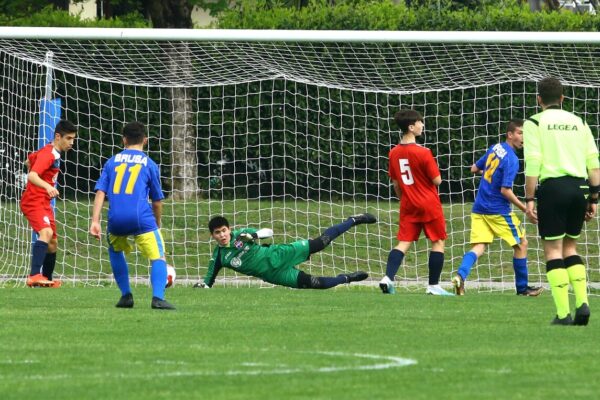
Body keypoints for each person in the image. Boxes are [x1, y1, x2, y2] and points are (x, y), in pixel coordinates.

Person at [523, 77, 600, 326]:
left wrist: (530, 199)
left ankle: (563, 314)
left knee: (553, 251)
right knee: (571, 248)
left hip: (553, 189)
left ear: (539, 100)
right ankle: (583, 304)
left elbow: (533, 162)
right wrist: (594, 198)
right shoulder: (579, 122)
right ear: (563, 98)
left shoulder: (534, 122)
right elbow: (594, 164)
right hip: (579, 188)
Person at [452, 120, 543, 297]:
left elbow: (474, 168)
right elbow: (505, 190)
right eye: (519, 133)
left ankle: (460, 276)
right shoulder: (512, 159)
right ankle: (522, 289)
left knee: (479, 246)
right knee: (521, 244)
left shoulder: (496, 147)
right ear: (510, 135)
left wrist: (491, 174)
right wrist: (526, 209)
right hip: (498, 210)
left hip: (479, 208)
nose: (522, 137)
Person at [89, 121, 174, 310]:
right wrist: (156, 224)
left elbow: (100, 192)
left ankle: (126, 295)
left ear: (123, 140)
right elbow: (157, 201)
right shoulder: (149, 164)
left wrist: (95, 221)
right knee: (158, 256)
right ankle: (158, 298)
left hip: (116, 220)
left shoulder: (112, 162)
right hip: (141, 219)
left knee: (115, 250)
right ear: (145, 140)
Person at [379, 109, 453, 296]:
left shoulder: (393, 153)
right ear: (411, 127)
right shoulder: (424, 152)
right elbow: (437, 181)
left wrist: (403, 199)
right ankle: (433, 286)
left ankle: (388, 278)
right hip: (428, 203)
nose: (422, 125)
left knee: (403, 243)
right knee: (437, 242)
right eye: (420, 122)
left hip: (408, 203)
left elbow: (396, 183)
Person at [194, 214, 376, 289]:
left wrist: (254, 235)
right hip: (274, 275)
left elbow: (269, 232)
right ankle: (347, 278)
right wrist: (202, 286)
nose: (222, 235)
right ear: (213, 236)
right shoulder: (218, 257)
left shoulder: (242, 234)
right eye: (217, 233)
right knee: (317, 284)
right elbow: (208, 282)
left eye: (224, 230)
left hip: (278, 254)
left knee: (321, 243)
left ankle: (353, 220)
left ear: (228, 229)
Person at [21, 120, 77, 288]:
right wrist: (47, 186)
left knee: (52, 242)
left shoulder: (49, 151)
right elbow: (32, 175)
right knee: (46, 232)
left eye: (73, 139)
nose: (71, 143)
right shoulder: (49, 154)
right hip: (34, 201)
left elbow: (30, 160)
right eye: (68, 138)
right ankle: (34, 276)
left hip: (43, 202)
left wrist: (30, 163)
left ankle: (46, 278)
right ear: (58, 136)